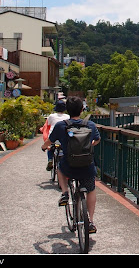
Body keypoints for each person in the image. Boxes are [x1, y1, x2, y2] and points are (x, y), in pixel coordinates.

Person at [41, 96, 101, 233]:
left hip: (69, 166)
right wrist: (90, 144)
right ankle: (90, 221)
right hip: (87, 166)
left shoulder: (61, 125)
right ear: (81, 110)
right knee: (91, 189)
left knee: (60, 169)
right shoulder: (90, 125)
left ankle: (65, 193)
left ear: (68, 110)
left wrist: (44, 147)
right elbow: (97, 139)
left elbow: (49, 142)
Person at [41, 100, 69, 171]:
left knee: (50, 147)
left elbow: (48, 125)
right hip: (64, 139)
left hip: (53, 138)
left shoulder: (51, 116)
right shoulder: (68, 117)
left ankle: (50, 159)